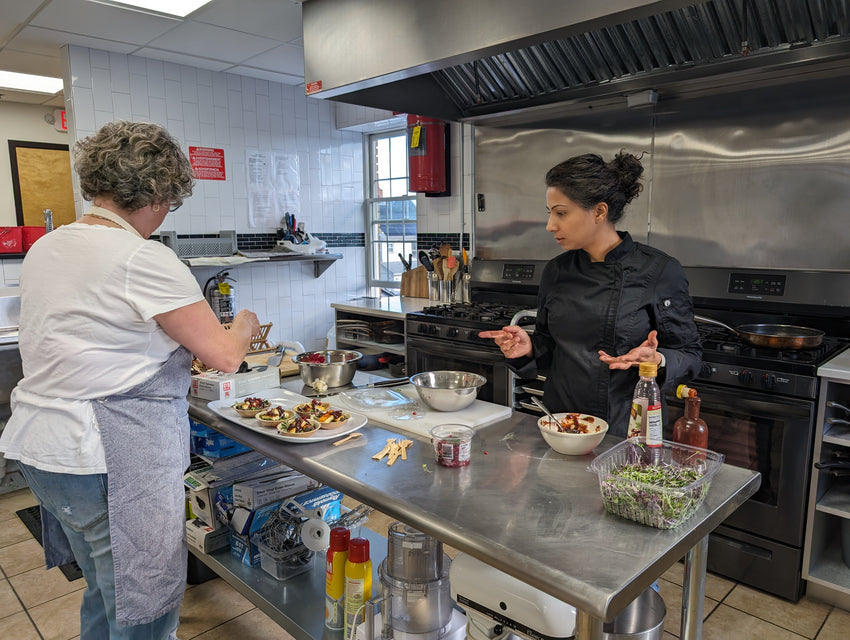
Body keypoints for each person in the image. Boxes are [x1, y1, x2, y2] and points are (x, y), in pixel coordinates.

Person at [0, 121, 260, 640]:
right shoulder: (143, 257)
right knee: (143, 609)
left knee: (105, 591)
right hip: (108, 463)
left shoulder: (49, 246)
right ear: (158, 192)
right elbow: (225, 356)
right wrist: (245, 321)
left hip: (42, 453)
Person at [480, 152, 701, 438]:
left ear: (599, 212)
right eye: (550, 212)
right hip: (561, 425)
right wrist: (529, 348)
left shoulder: (659, 271)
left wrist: (657, 360)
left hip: (627, 431)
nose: (550, 225)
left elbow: (691, 355)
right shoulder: (556, 271)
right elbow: (550, 347)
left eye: (561, 213)